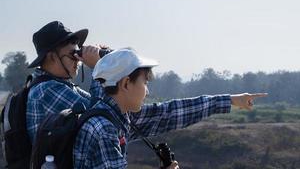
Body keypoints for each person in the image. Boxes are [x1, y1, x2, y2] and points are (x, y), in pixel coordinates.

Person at [73, 48, 267, 169]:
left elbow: (169, 113)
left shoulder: (111, 113)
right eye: (145, 82)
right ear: (125, 84)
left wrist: (230, 100)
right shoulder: (105, 129)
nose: (147, 91)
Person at [26, 21, 103, 143]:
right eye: (73, 54)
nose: (78, 60)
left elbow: (106, 106)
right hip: (53, 162)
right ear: (51, 57)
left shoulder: (63, 85)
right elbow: (101, 114)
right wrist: (99, 67)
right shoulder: (47, 89)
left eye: (78, 53)